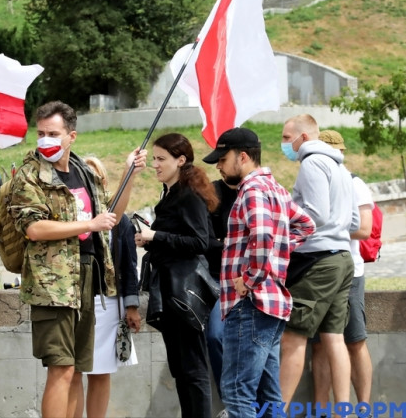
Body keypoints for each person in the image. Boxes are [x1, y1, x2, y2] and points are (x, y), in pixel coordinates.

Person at [8, 100, 147, 418]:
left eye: (53, 133)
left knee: (77, 369)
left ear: (72, 136)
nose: (45, 140)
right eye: (41, 133)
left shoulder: (84, 171)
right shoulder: (30, 175)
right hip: (52, 284)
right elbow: (34, 228)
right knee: (60, 368)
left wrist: (130, 173)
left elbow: (110, 216)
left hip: (87, 278)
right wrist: (88, 224)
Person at [202, 127, 315, 418]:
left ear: (242, 157)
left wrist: (249, 279)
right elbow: (305, 225)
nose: (218, 165)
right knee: (268, 397)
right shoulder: (275, 188)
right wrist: (277, 252)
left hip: (251, 303)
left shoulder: (252, 190)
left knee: (238, 393)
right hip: (269, 303)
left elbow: (263, 238)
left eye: (222, 158)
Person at [278, 114, 360, 409]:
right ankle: (342, 411)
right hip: (341, 258)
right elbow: (354, 220)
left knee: (293, 338)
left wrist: (283, 227)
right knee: (333, 338)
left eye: (288, 138)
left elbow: (316, 213)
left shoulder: (312, 162)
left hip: (317, 261)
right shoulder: (341, 167)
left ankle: (278, 410)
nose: (285, 144)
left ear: (305, 137)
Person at [134, 133, 218, 418]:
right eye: (154, 159)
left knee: (192, 369)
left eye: (161, 159)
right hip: (170, 291)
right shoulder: (171, 192)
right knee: (181, 368)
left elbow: (199, 242)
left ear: (180, 160)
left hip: (184, 292)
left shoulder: (188, 193)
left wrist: (155, 235)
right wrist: (152, 239)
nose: (154, 165)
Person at [73, 156, 141, 418]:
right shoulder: (71, 219)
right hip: (76, 303)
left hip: (108, 304)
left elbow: (129, 265)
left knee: (101, 373)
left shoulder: (120, 221)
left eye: (97, 178)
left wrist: (131, 305)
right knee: (73, 372)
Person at [311, 130, 374, 408]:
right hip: (317, 271)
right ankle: (321, 410)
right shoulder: (313, 183)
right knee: (318, 345)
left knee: (355, 341)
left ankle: (362, 409)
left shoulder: (353, 183)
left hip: (349, 273)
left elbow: (364, 229)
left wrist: (329, 222)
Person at [205, 175, 236, 413]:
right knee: (215, 335)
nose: (219, 166)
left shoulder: (255, 190)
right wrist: (225, 244)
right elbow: (203, 239)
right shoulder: (211, 192)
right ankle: (229, 403)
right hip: (216, 278)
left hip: (249, 279)